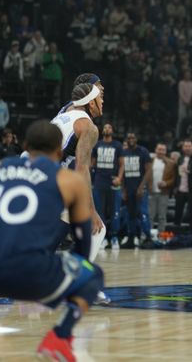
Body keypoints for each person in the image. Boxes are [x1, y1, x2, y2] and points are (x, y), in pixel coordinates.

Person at [0, 120, 104, 361]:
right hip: (32, 275)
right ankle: (59, 337)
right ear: (60, 151)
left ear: (26, 146)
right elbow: (82, 244)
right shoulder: (69, 180)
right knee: (93, 274)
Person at [50, 81, 109, 303]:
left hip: (32, 170)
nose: (103, 101)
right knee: (97, 228)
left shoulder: (66, 110)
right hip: (50, 179)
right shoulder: (89, 127)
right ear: (91, 100)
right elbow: (82, 170)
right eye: (100, 96)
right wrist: (90, 209)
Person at [91, 123, 124, 249]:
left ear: (112, 131)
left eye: (109, 127)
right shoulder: (97, 144)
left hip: (113, 181)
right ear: (102, 130)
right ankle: (102, 238)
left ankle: (114, 237)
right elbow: (91, 164)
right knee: (100, 211)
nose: (107, 129)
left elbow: (122, 164)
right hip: (99, 181)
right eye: (105, 127)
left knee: (114, 211)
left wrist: (120, 178)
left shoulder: (117, 145)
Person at [121, 132, 152, 248]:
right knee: (130, 214)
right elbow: (121, 173)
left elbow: (149, 170)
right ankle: (131, 238)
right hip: (128, 188)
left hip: (140, 188)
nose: (131, 139)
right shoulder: (123, 153)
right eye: (128, 138)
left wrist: (141, 187)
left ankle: (148, 237)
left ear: (137, 139)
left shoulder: (143, 151)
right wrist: (123, 190)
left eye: (133, 137)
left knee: (143, 212)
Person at [143, 142, 175, 236]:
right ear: (156, 150)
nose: (161, 151)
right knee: (150, 215)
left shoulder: (171, 163)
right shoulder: (149, 161)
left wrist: (166, 183)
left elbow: (173, 179)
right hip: (151, 192)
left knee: (162, 216)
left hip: (163, 193)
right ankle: (148, 235)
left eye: (163, 150)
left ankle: (161, 236)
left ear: (166, 151)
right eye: (159, 149)